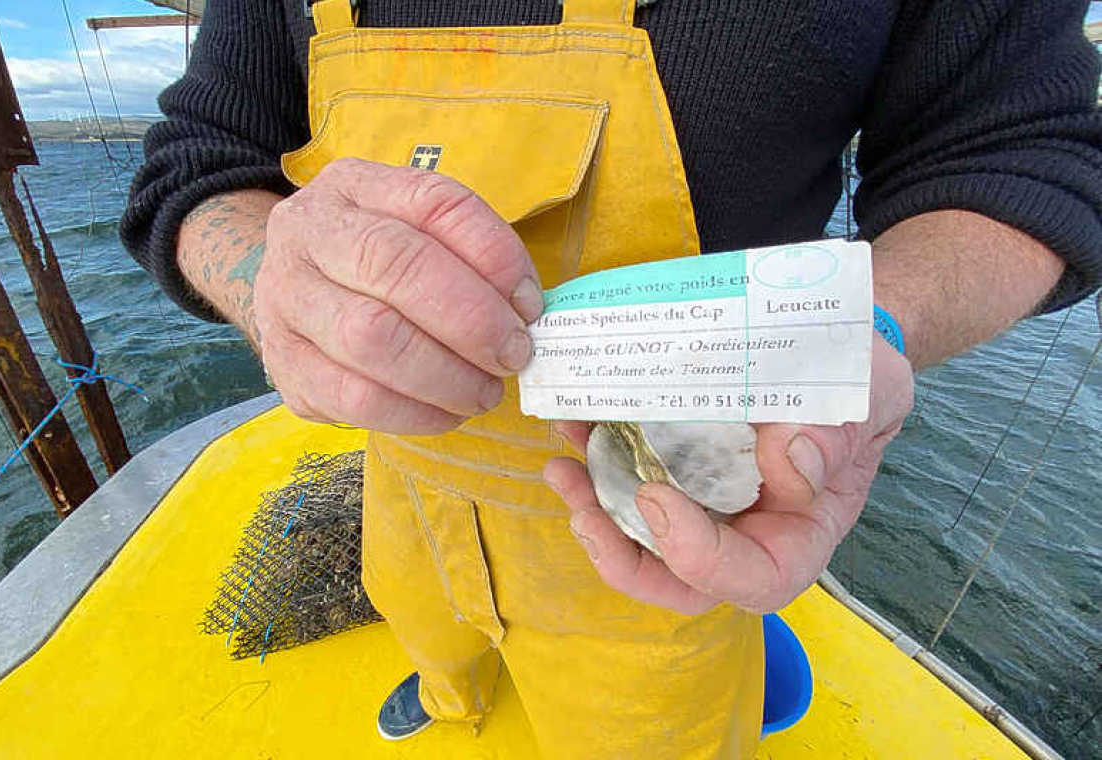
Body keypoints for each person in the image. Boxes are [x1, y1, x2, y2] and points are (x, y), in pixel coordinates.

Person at [121, 1, 1102, 757]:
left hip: (653, 539)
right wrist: (267, 284)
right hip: (406, 480)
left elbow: (1022, 156)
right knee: (421, 617)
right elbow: (201, 163)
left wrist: (863, 330)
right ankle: (450, 686)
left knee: (651, 723)